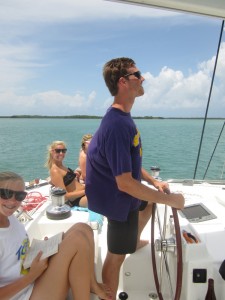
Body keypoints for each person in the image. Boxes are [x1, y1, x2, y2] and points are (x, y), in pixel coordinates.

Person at [85, 57, 185, 300]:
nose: (142, 78)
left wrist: (153, 182)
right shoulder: (117, 124)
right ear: (123, 82)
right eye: (137, 74)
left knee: (148, 202)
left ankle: (132, 240)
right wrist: (171, 201)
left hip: (125, 194)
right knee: (116, 256)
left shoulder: (122, 118)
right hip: (118, 201)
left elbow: (127, 164)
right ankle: (108, 295)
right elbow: (125, 183)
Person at [0, 171, 111, 300]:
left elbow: (16, 254)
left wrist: (43, 247)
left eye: (19, 195)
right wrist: (31, 276)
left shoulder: (10, 218)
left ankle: (91, 284)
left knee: (83, 228)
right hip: (24, 294)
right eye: (5, 193)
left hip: (32, 279)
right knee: (78, 240)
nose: (12, 201)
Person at [45, 140, 87, 207]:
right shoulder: (55, 171)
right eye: (58, 151)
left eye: (63, 151)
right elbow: (64, 196)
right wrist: (86, 191)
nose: (61, 153)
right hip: (78, 199)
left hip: (84, 193)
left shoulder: (61, 166)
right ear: (52, 152)